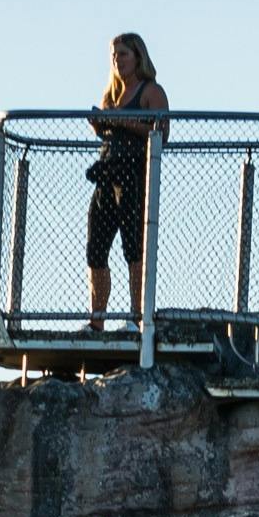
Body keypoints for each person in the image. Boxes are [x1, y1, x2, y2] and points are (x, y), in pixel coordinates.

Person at [84, 32, 167, 319]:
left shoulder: (150, 91)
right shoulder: (111, 94)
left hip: (133, 175)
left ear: (138, 57)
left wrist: (124, 121)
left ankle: (136, 316)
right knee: (95, 247)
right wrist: (100, 125)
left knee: (133, 248)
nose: (117, 60)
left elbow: (161, 132)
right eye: (114, 55)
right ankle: (97, 318)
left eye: (123, 54)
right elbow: (109, 133)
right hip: (107, 174)